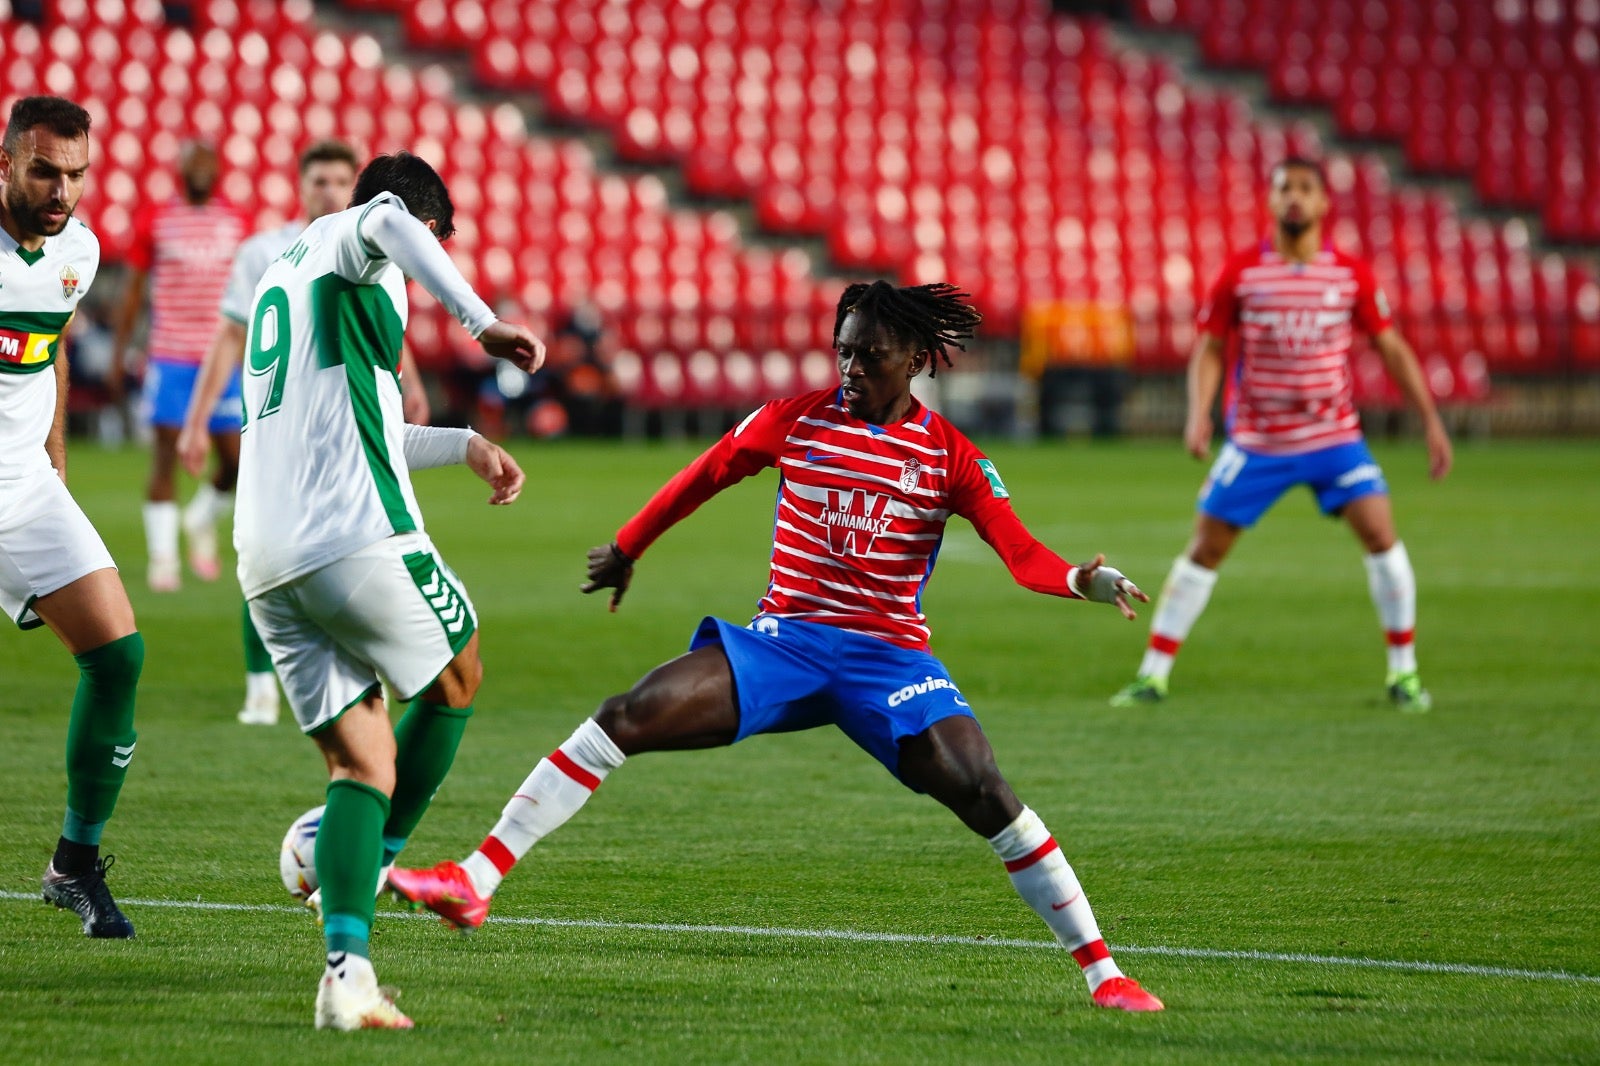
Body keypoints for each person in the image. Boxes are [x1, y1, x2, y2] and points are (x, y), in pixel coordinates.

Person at [390, 280, 1166, 1013]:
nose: (852, 367)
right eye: (844, 351)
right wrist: (629, 546)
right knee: (628, 713)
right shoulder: (798, 417)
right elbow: (708, 471)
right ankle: (475, 877)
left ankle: (1104, 973)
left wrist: (1077, 579)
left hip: (887, 658)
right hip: (783, 644)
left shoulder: (953, 457)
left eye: (870, 355)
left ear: (916, 361)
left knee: (984, 788)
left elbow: (1018, 550)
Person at [234, 150, 543, 1030]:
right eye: (433, 240)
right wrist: (480, 322)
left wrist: (465, 445)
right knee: (460, 671)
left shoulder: (288, 276)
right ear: (427, 228)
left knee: (362, 763)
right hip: (354, 535)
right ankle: (377, 859)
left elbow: (363, 417)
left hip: (268, 558)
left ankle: (347, 976)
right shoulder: (357, 232)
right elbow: (386, 221)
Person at [1110, 157, 1453, 712]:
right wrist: (1199, 414)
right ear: (1271, 202)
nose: (1294, 197)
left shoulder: (1350, 274)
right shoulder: (1243, 272)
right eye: (1284, 188)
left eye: (1305, 188)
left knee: (1382, 537)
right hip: (1258, 443)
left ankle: (1404, 674)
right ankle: (1153, 675)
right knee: (1206, 548)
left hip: (1333, 438)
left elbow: (1390, 346)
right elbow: (1211, 347)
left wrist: (1431, 420)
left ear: (1322, 204)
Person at [176, 140, 430, 727]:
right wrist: (196, 420)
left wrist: (407, 380)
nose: (331, 191)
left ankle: (360, 678)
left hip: (346, 428)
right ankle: (261, 684)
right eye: (320, 180)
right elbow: (230, 337)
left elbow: (376, 324)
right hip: (283, 426)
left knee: (351, 544)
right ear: (301, 185)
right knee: (273, 542)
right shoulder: (264, 251)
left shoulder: (367, 243)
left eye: (343, 181)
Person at [1, 96, 145, 938]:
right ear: (8, 163)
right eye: (45, 170)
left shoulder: (77, 252)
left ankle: (75, 865)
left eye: (76, 175)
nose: (62, 190)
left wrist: (57, 450)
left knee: (118, 655)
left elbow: (47, 346)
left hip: (23, 487)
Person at [109, 139, 249, 591]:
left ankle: (200, 519)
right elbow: (133, 290)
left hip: (222, 358)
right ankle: (164, 560)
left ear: (219, 169)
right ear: (180, 168)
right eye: (194, 163)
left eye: (208, 162)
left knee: (236, 460)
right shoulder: (158, 219)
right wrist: (119, 350)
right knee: (165, 455)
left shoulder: (236, 223)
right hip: (169, 355)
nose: (202, 170)